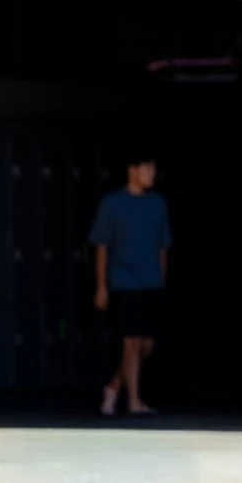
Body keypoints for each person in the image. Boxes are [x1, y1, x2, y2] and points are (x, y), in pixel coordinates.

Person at [91, 156, 172, 416]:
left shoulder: (158, 203)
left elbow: (163, 246)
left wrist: (161, 279)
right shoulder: (112, 204)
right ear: (132, 170)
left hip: (151, 282)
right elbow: (102, 246)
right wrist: (102, 286)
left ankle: (114, 386)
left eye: (154, 168)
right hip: (125, 281)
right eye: (148, 168)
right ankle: (134, 401)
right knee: (131, 342)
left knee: (146, 345)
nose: (152, 173)